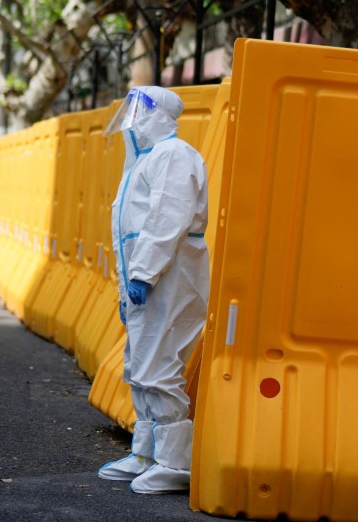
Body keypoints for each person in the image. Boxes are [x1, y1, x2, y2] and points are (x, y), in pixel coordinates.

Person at [97, 85, 209, 494]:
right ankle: (145, 452)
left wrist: (143, 273)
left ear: (159, 115)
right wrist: (129, 284)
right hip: (150, 278)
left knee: (159, 368)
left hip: (169, 276)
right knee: (140, 365)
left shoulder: (174, 157)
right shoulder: (146, 161)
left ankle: (175, 464)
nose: (133, 121)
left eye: (140, 111)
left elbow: (166, 220)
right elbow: (129, 231)